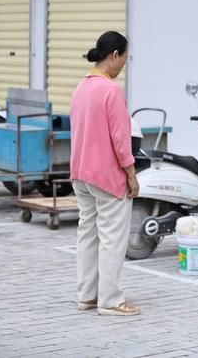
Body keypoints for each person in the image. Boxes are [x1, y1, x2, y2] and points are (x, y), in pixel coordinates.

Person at [70, 31, 140, 316]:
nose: (124, 62)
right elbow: (121, 141)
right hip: (107, 176)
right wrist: (132, 175)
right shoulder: (111, 90)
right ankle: (110, 300)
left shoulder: (81, 87)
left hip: (81, 174)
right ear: (114, 55)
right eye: (124, 56)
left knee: (88, 233)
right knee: (112, 238)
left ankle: (87, 295)